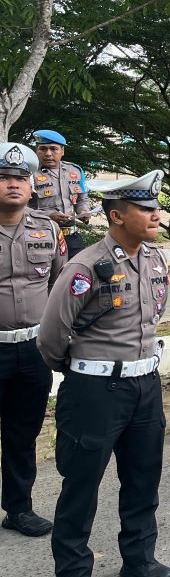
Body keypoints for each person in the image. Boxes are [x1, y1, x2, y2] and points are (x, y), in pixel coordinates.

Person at [39, 169, 170, 577]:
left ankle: (139, 560)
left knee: (142, 479)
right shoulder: (86, 266)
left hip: (145, 387)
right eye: (145, 208)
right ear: (117, 216)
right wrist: (84, 370)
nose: (156, 216)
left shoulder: (153, 258)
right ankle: (73, 567)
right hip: (95, 391)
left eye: (156, 207)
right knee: (81, 485)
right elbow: (51, 337)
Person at [0, 142, 63, 539]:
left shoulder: (47, 227)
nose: (13, 184)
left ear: (31, 184)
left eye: (20, 178)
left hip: (32, 349)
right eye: (4, 177)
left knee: (23, 433)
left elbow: (60, 285)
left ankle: (18, 508)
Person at [30, 130, 90, 258]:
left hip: (71, 236)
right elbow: (21, 208)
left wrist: (83, 211)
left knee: (77, 273)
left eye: (53, 149)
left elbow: (82, 199)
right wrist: (48, 215)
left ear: (62, 151)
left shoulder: (75, 170)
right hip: (41, 235)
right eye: (43, 149)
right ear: (37, 151)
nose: (48, 154)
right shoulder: (30, 174)